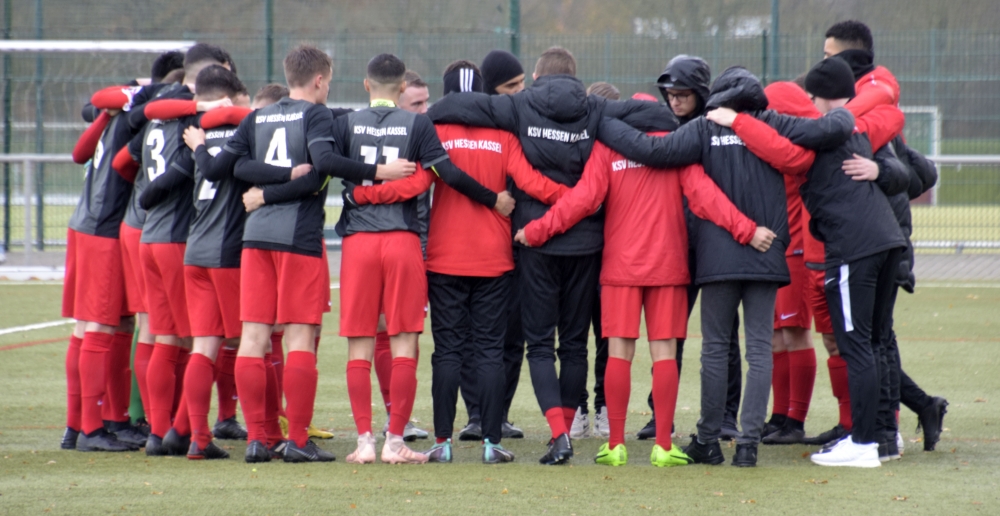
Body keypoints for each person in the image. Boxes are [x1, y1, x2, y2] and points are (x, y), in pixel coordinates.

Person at [428, 46, 679, 465]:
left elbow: (463, 105)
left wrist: (429, 113)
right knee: (576, 344)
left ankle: (559, 435)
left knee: (540, 344)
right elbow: (656, 116)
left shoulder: (519, 106)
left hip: (535, 240)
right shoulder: (595, 108)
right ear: (574, 76)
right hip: (585, 240)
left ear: (537, 76)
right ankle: (568, 424)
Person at [598, 66, 855, 467]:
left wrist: (602, 125)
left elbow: (653, 151)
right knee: (759, 350)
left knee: (715, 349)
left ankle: (708, 440)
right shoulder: (773, 124)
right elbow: (822, 137)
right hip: (767, 251)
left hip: (718, 256)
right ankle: (748, 445)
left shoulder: (703, 129)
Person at [516, 93, 774, 467]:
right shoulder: (675, 148)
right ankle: (664, 445)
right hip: (668, 265)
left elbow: (582, 201)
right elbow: (706, 198)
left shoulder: (608, 148)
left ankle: (616, 445)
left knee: (619, 352)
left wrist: (536, 231)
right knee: (664, 353)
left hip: (620, 266)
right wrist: (747, 230)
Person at [346, 60, 569, 464]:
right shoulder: (502, 135)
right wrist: (575, 198)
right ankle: (491, 443)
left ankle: (443, 442)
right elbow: (532, 183)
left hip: (444, 258)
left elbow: (415, 184)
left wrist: (362, 194)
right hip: (494, 259)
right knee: (490, 351)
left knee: (447, 351)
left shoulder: (436, 132)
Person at [712, 57, 906, 468]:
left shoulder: (824, 130)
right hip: (885, 241)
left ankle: (864, 443)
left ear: (816, 99)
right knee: (872, 345)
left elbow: (785, 152)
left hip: (856, 247)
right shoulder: (848, 126)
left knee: (856, 346)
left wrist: (739, 121)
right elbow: (889, 112)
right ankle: (881, 439)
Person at [328, 53, 507, 465]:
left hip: (358, 242)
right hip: (402, 240)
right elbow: (441, 176)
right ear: (403, 87)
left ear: (366, 85)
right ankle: (395, 442)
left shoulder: (345, 123)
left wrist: (360, 193)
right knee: (404, 340)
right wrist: (493, 199)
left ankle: (364, 442)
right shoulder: (418, 124)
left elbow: (329, 165)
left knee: (359, 344)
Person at [137, 65, 248, 460]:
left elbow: (131, 144)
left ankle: (160, 433)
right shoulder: (205, 127)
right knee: (225, 342)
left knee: (167, 339)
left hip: (154, 236)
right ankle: (188, 430)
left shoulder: (162, 118)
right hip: (182, 240)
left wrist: (147, 198)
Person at [635, 54, 745, 443]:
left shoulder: (718, 126)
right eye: (669, 93)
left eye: (682, 93)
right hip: (676, 245)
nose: (674, 100)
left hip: (715, 244)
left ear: (700, 92)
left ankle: (727, 415)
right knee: (668, 334)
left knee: (724, 335)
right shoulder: (661, 127)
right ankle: (659, 415)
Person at [457, 49, 527, 442]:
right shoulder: (475, 130)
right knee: (474, 337)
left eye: (522, 83)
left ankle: (498, 414)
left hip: (517, 244)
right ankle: (476, 414)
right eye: (510, 86)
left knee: (513, 337)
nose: (519, 92)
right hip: (478, 248)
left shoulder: (522, 123)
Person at [371, 69, 432, 443]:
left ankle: (397, 417)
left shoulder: (417, 131)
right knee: (394, 332)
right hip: (402, 242)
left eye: (427, 102)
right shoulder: (409, 136)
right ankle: (396, 419)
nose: (424, 110)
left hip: (398, 241)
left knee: (396, 332)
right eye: (417, 103)